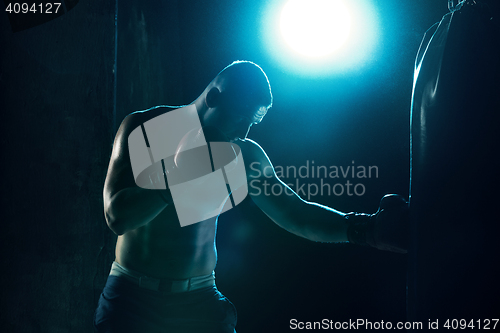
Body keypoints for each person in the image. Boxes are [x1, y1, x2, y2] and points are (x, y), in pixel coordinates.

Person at [94, 60, 407, 333]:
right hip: (132, 297)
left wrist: (365, 229)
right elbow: (117, 217)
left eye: (252, 124)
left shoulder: (244, 155)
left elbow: (295, 213)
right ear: (214, 97)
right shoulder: (147, 129)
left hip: (198, 301)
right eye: (240, 118)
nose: (243, 133)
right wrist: (179, 172)